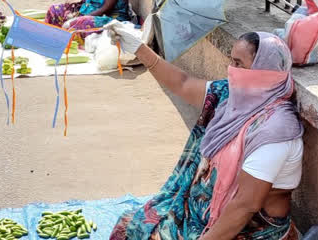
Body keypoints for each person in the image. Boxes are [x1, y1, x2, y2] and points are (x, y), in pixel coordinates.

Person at [105, 22, 304, 240]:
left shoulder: (274, 130)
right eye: (231, 60)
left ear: (264, 71)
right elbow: (183, 83)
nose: (231, 69)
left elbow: (245, 205)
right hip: (205, 212)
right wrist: (139, 49)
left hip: (252, 230)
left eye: (239, 63)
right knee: (132, 225)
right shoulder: (231, 96)